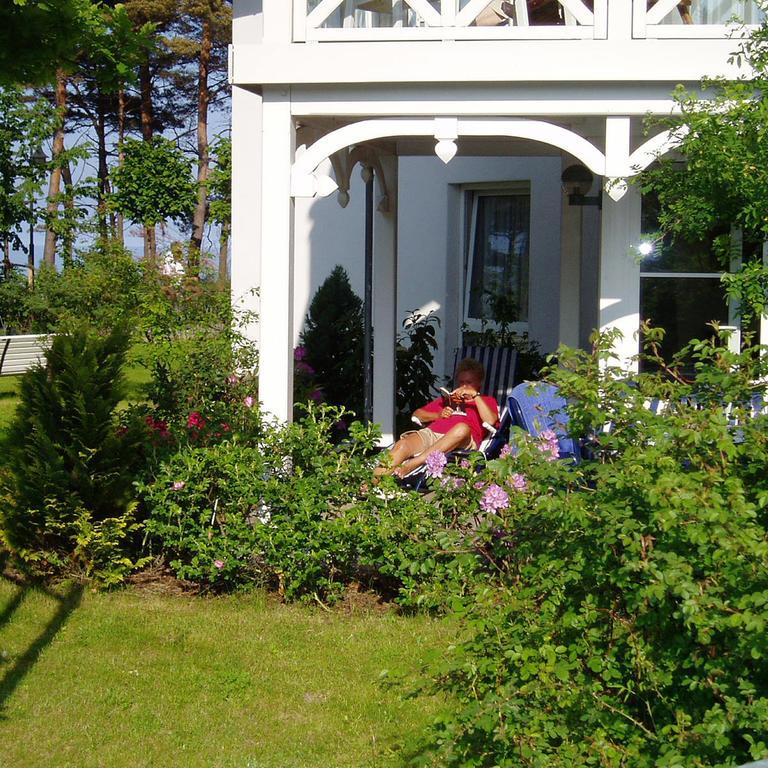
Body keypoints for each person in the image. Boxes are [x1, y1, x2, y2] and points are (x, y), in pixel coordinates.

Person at [377, 358, 499, 479]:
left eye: (469, 382)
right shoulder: (448, 400)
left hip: (462, 439)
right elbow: (417, 414)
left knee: (461, 428)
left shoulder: (486, 401)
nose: (464, 386)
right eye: (461, 382)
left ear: (479, 383)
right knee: (403, 445)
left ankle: (414, 464)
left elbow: (490, 420)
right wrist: (438, 415)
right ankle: (369, 485)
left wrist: (475, 396)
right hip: (433, 434)